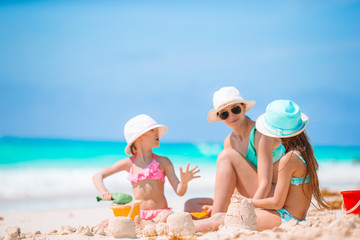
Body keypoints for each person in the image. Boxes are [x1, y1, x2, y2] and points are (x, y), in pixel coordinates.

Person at [195, 99, 330, 232]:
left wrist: (249, 203)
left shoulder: (288, 160)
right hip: (290, 216)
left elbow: (277, 202)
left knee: (225, 219)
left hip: (286, 217)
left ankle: (188, 228)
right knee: (224, 217)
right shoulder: (303, 154)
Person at [185, 86, 284, 216]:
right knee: (190, 205)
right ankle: (218, 214)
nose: (231, 116)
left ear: (243, 107)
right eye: (224, 114)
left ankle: (216, 218)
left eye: (235, 109)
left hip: (273, 195)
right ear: (220, 117)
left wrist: (250, 211)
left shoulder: (260, 133)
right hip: (251, 195)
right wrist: (228, 205)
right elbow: (234, 183)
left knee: (226, 156)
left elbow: (265, 183)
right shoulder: (230, 141)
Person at [93, 114, 200, 225]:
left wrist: (184, 182)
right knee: (106, 222)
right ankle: (145, 223)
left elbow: (180, 191)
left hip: (161, 213)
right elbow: (97, 176)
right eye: (152, 130)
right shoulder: (129, 163)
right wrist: (104, 192)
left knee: (168, 215)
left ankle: (150, 223)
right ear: (138, 137)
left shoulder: (163, 162)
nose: (157, 133)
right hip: (138, 213)